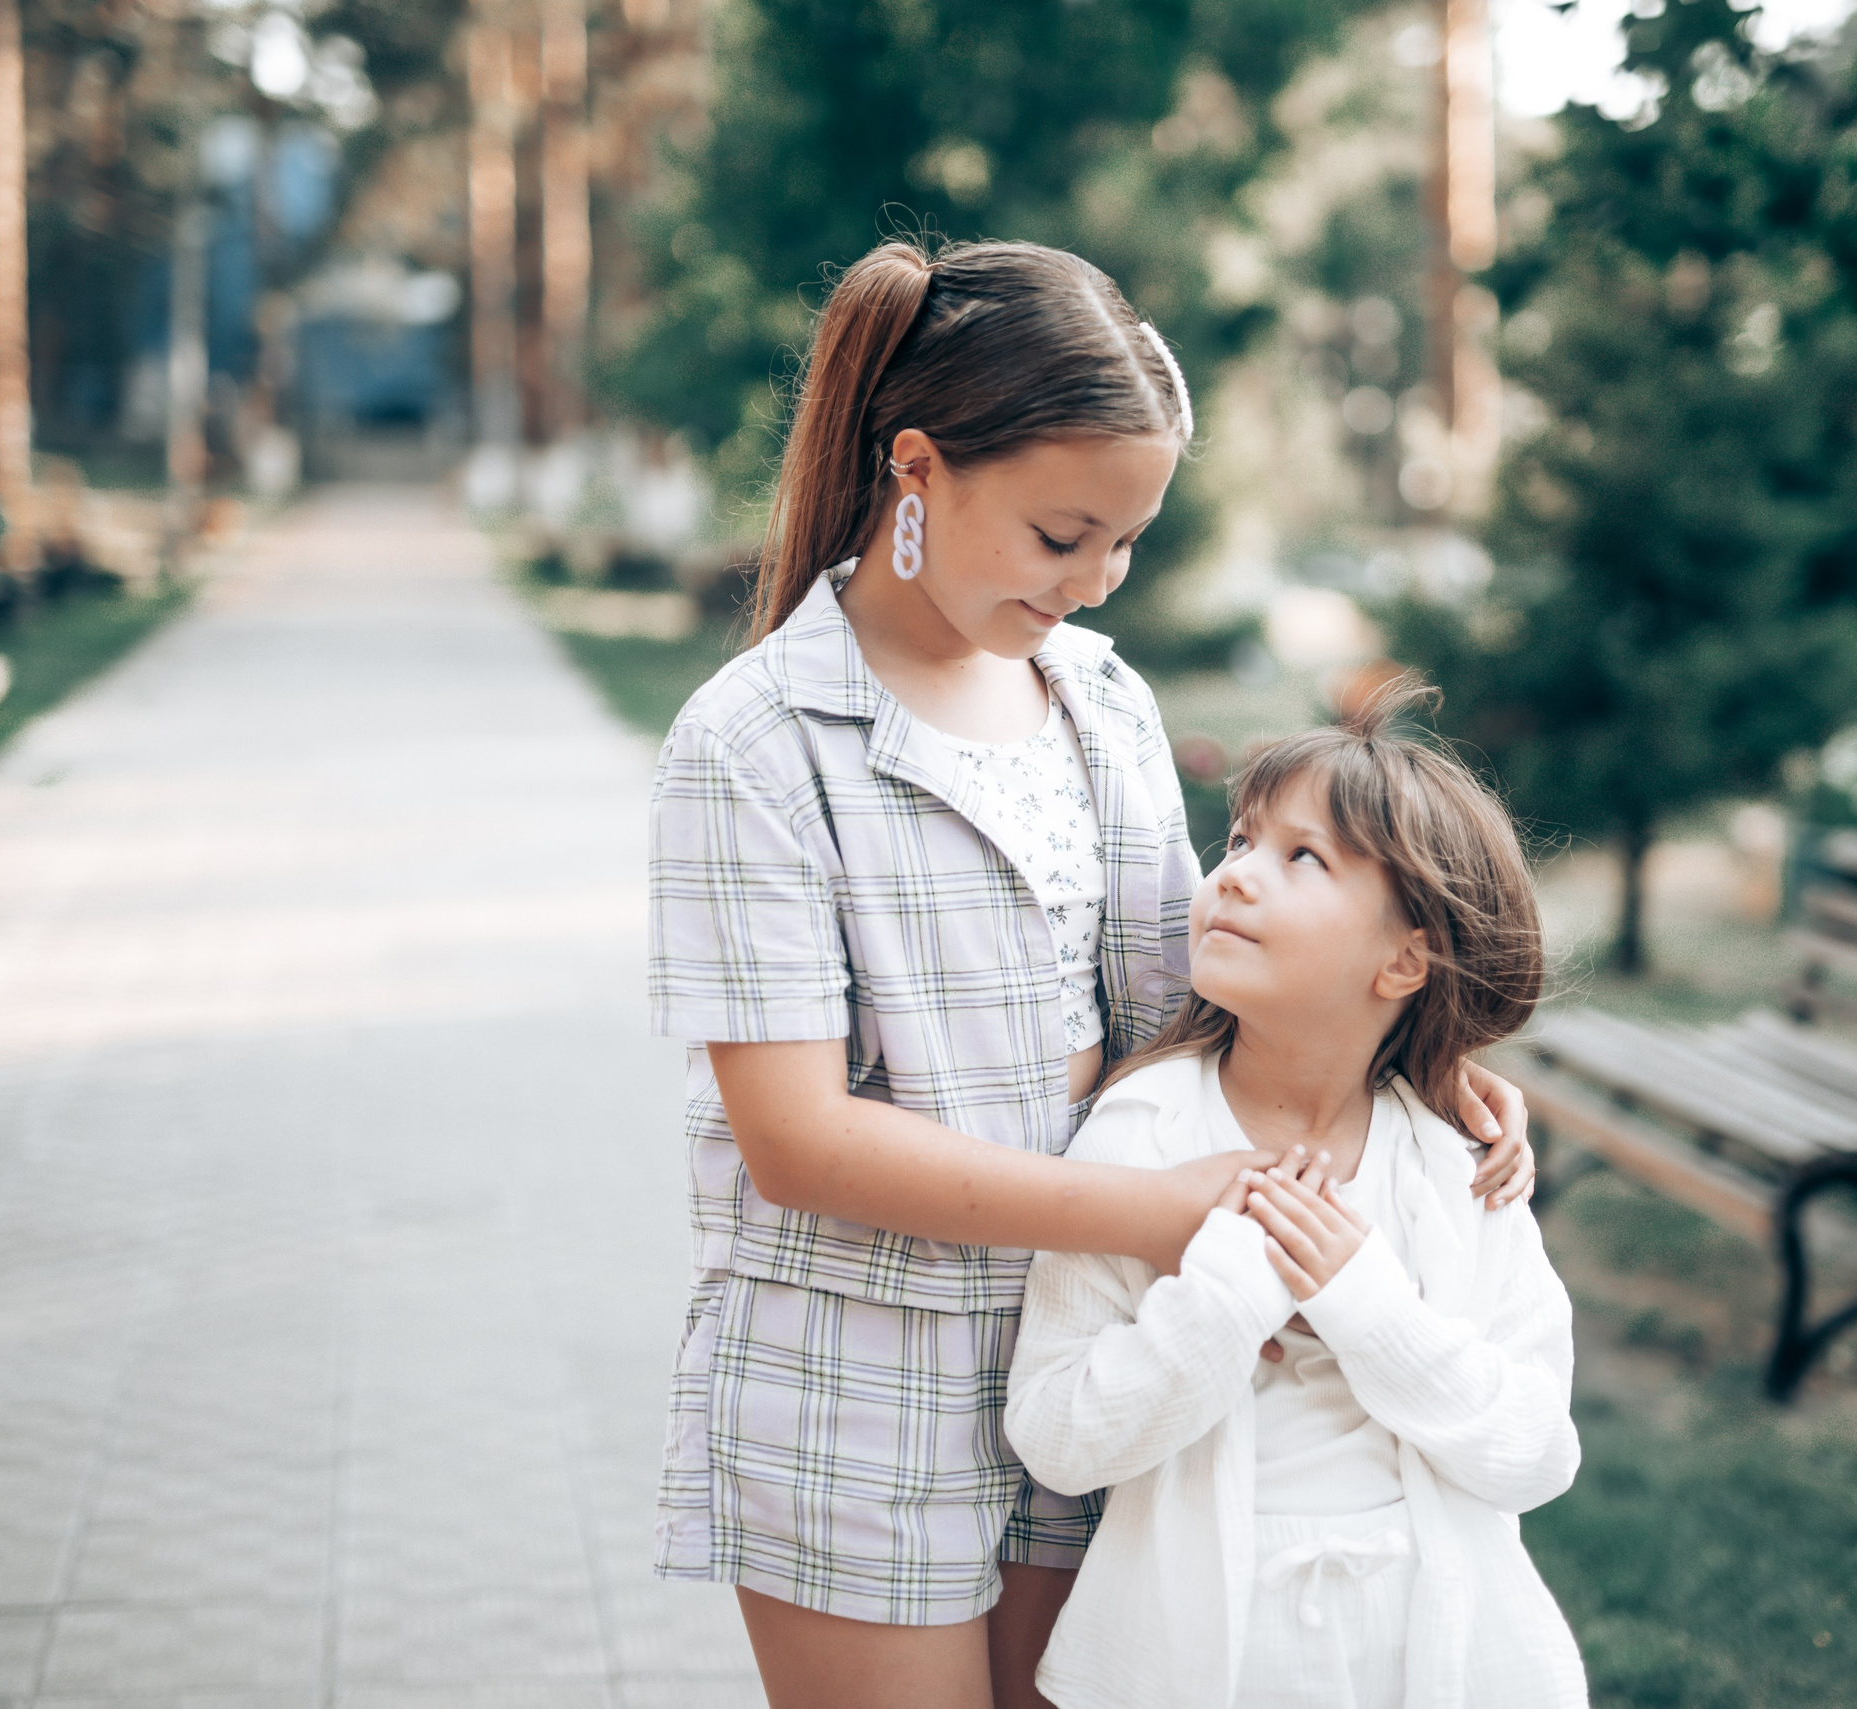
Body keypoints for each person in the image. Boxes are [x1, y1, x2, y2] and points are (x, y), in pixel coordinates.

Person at [648, 237, 1541, 1709]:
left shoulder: (1102, 703)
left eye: (1126, 544)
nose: (1096, 580)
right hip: (865, 1388)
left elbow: (1193, 984)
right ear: (917, 468)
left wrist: (1425, 1059)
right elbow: (795, 1142)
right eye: (1063, 536)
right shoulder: (753, 746)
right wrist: (1153, 1211)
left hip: (1110, 1367)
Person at [1005, 685, 1586, 1709]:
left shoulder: (1456, 1162)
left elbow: (1536, 1449)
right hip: (1209, 1658)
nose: (1232, 876)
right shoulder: (1146, 1128)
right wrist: (1228, 1292)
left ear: (1405, 957)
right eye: (1236, 841)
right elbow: (1055, 1433)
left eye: (1300, 857)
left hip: (1427, 1655)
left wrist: (1366, 1305)